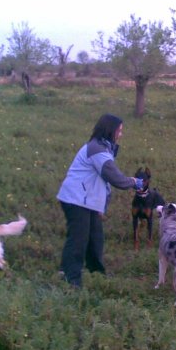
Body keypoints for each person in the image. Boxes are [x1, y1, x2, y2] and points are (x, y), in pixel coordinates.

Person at [57, 114, 136, 287]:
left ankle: (96, 273)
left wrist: (101, 206)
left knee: (95, 238)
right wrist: (133, 182)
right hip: (76, 200)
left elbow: (103, 182)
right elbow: (114, 177)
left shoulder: (103, 148)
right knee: (78, 240)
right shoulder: (97, 149)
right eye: (119, 131)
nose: (121, 135)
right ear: (110, 130)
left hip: (87, 200)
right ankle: (72, 280)